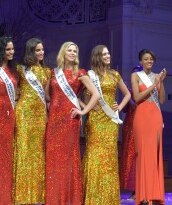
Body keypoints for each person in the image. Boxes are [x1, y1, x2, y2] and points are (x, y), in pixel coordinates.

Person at [45, 42, 99, 205]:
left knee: (68, 158)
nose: (73, 53)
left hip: (70, 120)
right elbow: (47, 96)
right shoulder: (53, 73)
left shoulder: (81, 73)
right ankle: (55, 198)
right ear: (63, 52)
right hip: (54, 120)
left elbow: (96, 94)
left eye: (75, 50)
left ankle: (69, 199)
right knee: (54, 158)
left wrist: (83, 111)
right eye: (69, 50)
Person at [82, 45, 131, 205]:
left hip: (110, 120)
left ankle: (108, 198)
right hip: (95, 120)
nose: (108, 56)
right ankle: (92, 198)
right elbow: (81, 97)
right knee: (94, 157)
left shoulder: (114, 74)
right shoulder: (90, 75)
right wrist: (86, 108)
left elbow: (128, 94)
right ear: (97, 56)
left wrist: (120, 107)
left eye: (108, 53)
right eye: (104, 54)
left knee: (109, 158)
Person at [13, 38, 51, 204]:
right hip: (24, 113)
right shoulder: (20, 70)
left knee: (37, 153)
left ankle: (36, 195)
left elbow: (48, 96)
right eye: (37, 50)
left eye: (42, 50)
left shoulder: (48, 72)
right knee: (24, 151)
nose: (41, 53)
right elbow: (15, 93)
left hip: (40, 115)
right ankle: (21, 195)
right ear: (30, 51)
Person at [131, 49, 167, 205]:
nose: (149, 61)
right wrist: (154, 84)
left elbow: (162, 100)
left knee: (154, 155)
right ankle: (143, 196)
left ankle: (155, 194)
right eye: (146, 59)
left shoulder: (157, 77)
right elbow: (137, 97)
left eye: (151, 59)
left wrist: (161, 82)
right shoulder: (136, 76)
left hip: (156, 117)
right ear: (140, 62)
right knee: (143, 155)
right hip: (142, 116)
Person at [120, 65, 143, 199]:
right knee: (129, 157)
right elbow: (125, 110)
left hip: (139, 124)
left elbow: (136, 105)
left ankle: (139, 190)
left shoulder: (143, 90)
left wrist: (129, 97)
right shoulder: (129, 90)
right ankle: (133, 190)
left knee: (138, 156)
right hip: (129, 126)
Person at [0, 36, 18, 205]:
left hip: (10, 118)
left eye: (12, 49)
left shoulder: (12, 72)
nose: (11, 52)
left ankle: (5, 197)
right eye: (7, 49)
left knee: (7, 158)